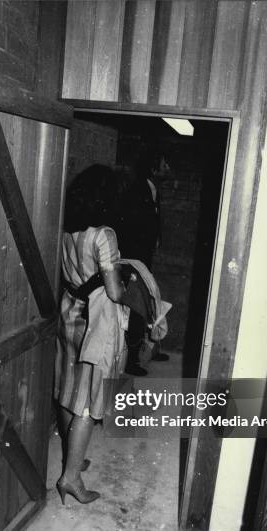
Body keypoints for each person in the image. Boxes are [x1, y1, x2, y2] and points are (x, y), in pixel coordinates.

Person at [54, 164, 128, 505]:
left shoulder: (67, 230)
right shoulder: (104, 234)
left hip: (68, 313)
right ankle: (71, 478)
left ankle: (72, 455)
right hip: (93, 323)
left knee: (68, 389)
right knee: (86, 400)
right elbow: (113, 292)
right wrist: (129, 287)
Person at [116, 151, 170, 376]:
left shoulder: (152, 191)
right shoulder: (138, 192)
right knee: (137, 307)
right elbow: (131, 229)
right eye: (164, 164)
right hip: (135, 260)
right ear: (153, 169)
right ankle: (131, 361)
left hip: (144, 259)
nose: (168, 169)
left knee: (148, 303)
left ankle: (149, 348)